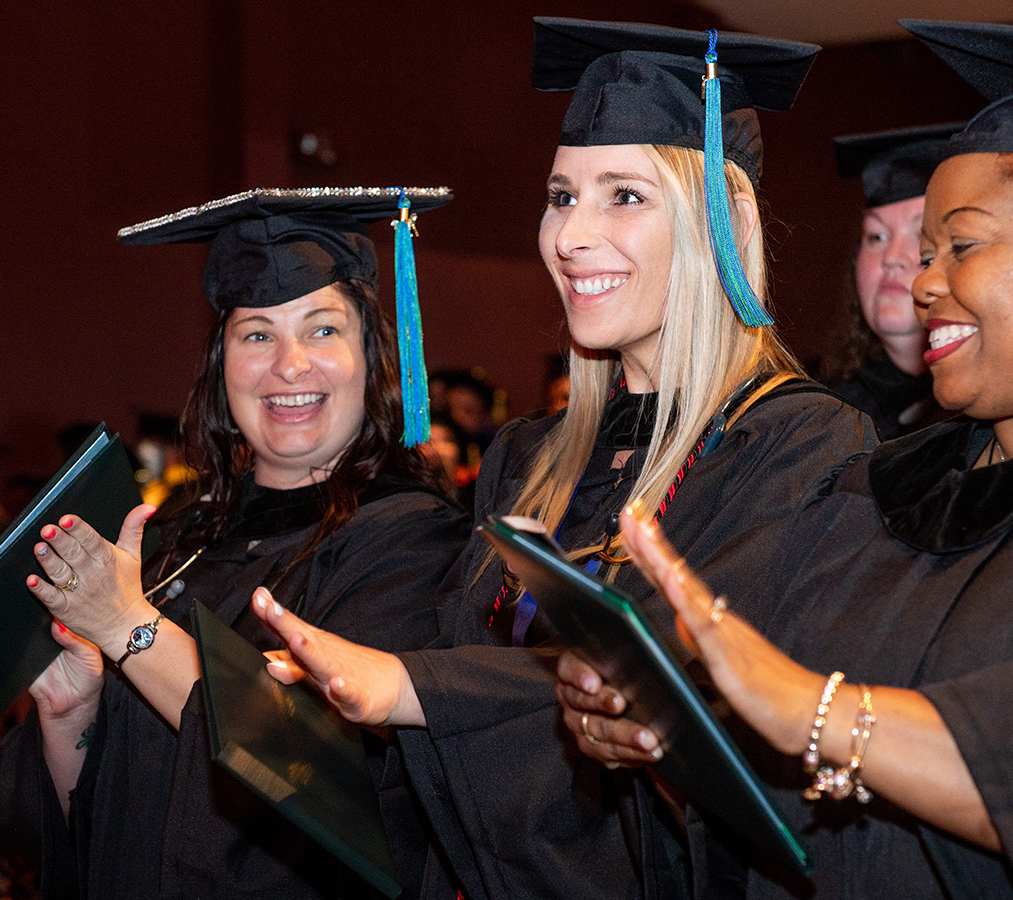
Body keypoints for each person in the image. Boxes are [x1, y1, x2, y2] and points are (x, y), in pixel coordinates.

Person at [249, 18, 874, 900]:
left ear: (722, 228)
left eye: (623, 195)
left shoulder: (802, 448)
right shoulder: (528, 459)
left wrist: (407, 687)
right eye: (559, 194)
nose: (570, 234)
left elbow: (692, 706)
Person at [559, 20, 1013, 900]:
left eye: (961, 246)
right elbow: (763, 787)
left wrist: (815, 712)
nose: (922, 282)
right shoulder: (867, 493)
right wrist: (665, 730)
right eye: (922, 253)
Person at [0, 188, 472, 899]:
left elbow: (319, 772)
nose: (288, 366)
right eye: (256, 334)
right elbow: (77, 834)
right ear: (222, 362)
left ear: (372, 354)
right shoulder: (175, 540)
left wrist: (129, 627)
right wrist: (73, 717)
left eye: (321, 330)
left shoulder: (410, 542)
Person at [821, 124, 959, 439]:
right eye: (876, 236)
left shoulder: (987, 420)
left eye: (921, 234)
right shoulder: (822, 419)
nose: (891, 257)